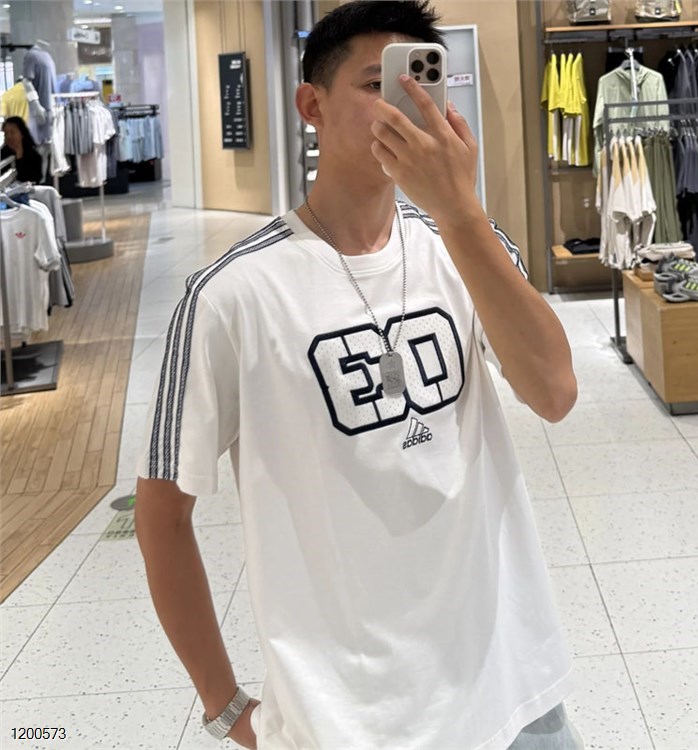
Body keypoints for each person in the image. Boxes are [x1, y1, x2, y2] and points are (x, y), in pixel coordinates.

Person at [135, 2, 582, 748]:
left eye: (421, 86)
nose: (405, 107)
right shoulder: (230, 295)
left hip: (513, 692)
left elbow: (555, 393)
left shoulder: (464, 246)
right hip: (347, 720)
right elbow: (162, 513)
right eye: (378, 85)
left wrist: (461, 214)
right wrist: (222, 704)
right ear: (311, 106)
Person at [1, 116, 43, 183]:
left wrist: (19, 156)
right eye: (6, 133)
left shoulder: (34, 156)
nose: (8, 136)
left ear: (22, 134)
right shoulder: (3, 155)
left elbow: (31, 180)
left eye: (12, 132)